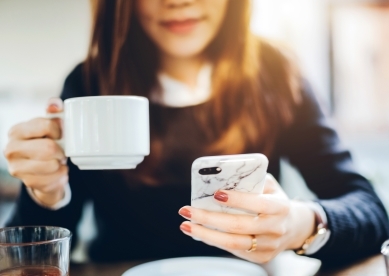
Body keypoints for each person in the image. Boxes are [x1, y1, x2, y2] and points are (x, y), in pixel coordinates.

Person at [4, 0, 389, 269]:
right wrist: (46, 193)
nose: (179, 1)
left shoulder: (275, 73)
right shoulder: (90, 81)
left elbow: (371, 213)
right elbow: (30, 253)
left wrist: (299, 226)